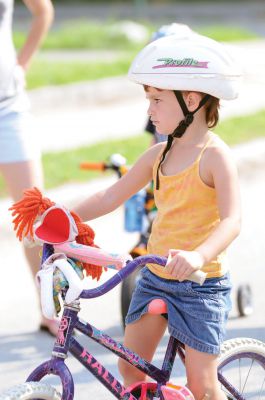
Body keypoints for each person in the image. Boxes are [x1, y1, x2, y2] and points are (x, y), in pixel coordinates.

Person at [73, 35, 242, 399]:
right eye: (148, 99)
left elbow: (232, 221)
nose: (149, 109)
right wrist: (64, 218)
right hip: (156, 276)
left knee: (202, 385)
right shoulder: (157, 155)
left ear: (191, 101)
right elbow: (110, 196)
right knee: (130, 365)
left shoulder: (215, 157)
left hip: (201, 285)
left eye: (157, 99)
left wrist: (199, 255)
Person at [0, 0, 55, 334]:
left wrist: (21, 65)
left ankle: (50, 307)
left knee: (34, 214)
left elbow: (42, 10)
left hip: (8, 108)